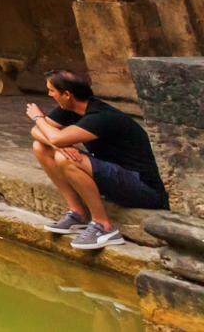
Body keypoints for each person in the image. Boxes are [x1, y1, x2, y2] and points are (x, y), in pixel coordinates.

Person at [29, 68, 167, 249]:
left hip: (144, 189)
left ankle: (104, 226)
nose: (49, 94)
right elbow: (37, 133)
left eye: (52, 90)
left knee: (68, 160)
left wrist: (38, 117)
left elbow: (53, 135)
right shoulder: (70, 108)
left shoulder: (101, 117)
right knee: (40, 147)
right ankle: (78, 213)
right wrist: (58, 145)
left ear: (67, 94)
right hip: (115, 177)